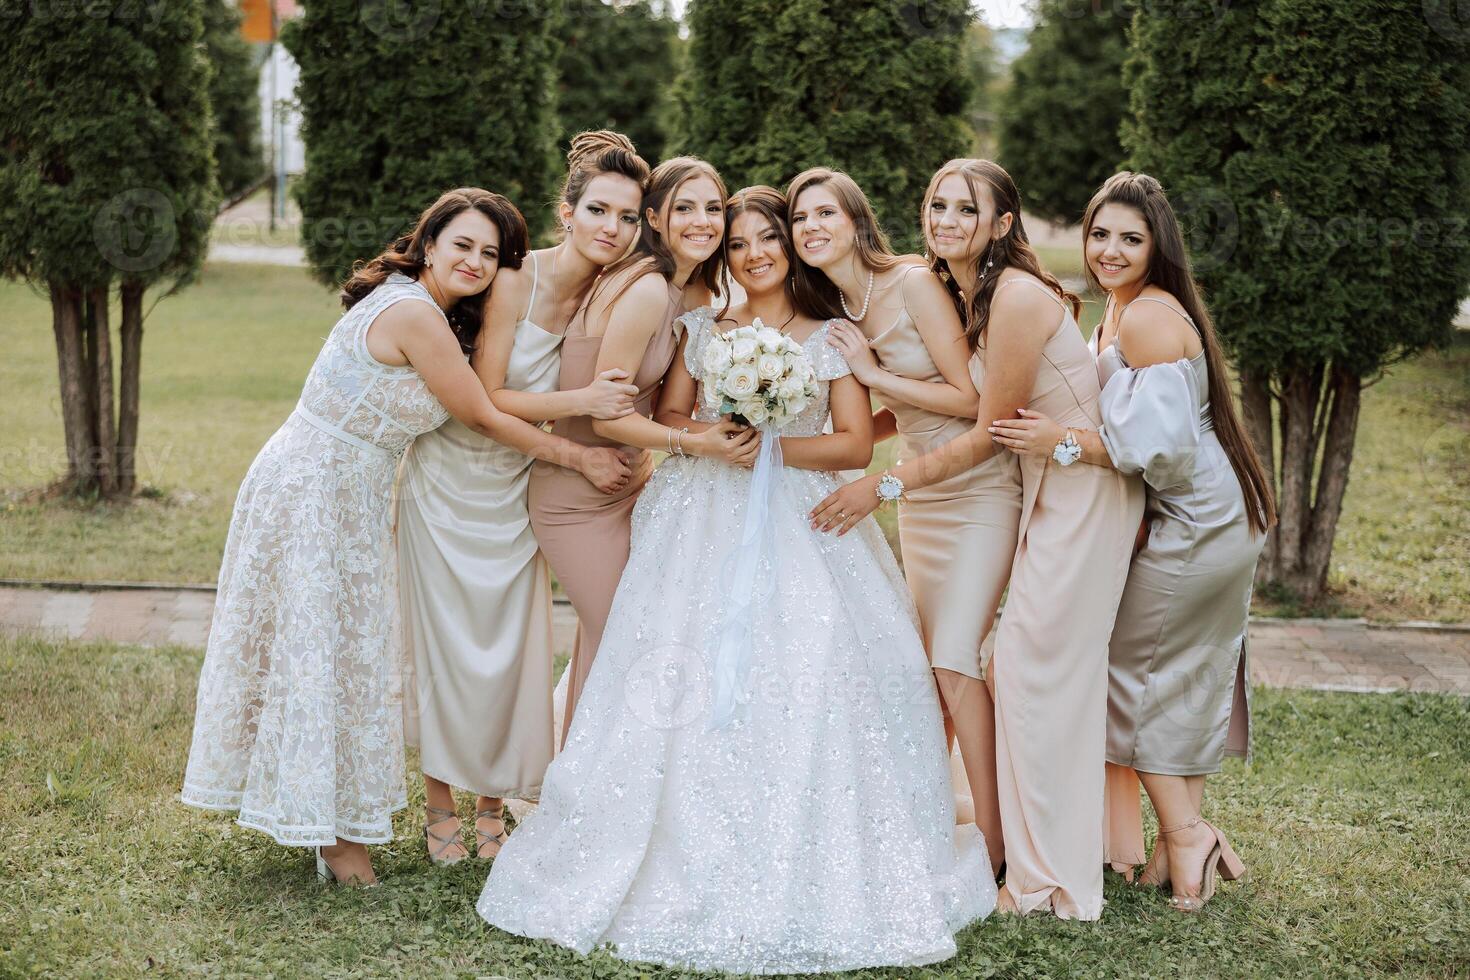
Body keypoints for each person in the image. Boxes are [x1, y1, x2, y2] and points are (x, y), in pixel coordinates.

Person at [477, 186, 995, 973]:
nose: (755, 253)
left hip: (802, 519)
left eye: (770, 239)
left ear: (790, 247)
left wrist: (774, 447)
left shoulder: (831, 337)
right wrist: (715, 438)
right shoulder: (700, 326)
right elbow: (677, 413)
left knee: (813, 664)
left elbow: (855, 446)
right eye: (741, 242)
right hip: (698, 514)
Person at [183, 189, 578, 886]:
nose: (478, 262)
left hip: (342, 485)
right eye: (463, 245)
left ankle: (322, 823)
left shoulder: (424, 307)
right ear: (429, 243)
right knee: (328, 654)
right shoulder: (412, 315)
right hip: (315, 487)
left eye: (492, 254)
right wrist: (578, 452)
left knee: (338, 651)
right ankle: (337, 844)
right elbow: (481, 415)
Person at [812, 160, 1142, 920]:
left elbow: (987, 430)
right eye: (937, 204)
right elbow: (948, 410)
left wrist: (882, 479)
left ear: (1001, 225)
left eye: (968, 208)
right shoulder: (961, 291)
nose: (947, 219)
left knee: (1009, 665)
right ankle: (1046, 837)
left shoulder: (1018, 297)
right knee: (980, 666)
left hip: (1077, 489)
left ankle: (1013, 856)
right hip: (1036, 489)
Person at [990, 171, 1274, 912]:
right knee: (1174, 671)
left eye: (1130, 238)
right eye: (1100, 234)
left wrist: (1060, 442)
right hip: (1202, 514)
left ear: (1159, 246)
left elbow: (1164, 450)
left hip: (1195, 518)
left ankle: (1187, 836)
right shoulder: (1120, 310)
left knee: (1127, 669)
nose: (1110, 250)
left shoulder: (1149, 319)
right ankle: (1178, 838)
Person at [396, 133, 650, 865]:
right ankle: (440, 803)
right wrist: (582, 404)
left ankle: (493, 802)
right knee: (450, 641)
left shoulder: (614, 290)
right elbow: (490, 394)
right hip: (457, 474)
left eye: (629, 217)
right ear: (565, 212)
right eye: (598, 209)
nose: (612, 228)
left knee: (513, 644)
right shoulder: (517, 280)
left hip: (521, 478)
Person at [526, 156, 730, 742]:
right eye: (684, 208)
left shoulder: (685, 291)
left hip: (628, 487)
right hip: (574, 496)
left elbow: (665, 401)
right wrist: (696, 445)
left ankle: (581, 776)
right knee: (622, 634)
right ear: (655, 219)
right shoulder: (644, 288)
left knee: (609, 635)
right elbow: (610, 417)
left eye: (713, 208)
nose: (702, 220)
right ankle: (580, 784)